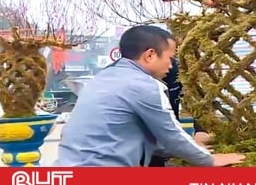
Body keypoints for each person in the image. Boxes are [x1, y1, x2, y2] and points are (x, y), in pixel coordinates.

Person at [55, 25, 244, 167]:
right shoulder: (145, 85)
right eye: (170, 58)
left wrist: (190, 146)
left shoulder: (102, 78)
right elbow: (172, 136)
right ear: (150, 55)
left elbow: (141, 136)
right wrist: (211, 160)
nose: (171, 66)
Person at [148, 57, 212, 167]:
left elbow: (195, 96)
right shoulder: (129, 79)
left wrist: (200, 130)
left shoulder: (174, 68)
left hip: (165, 145)